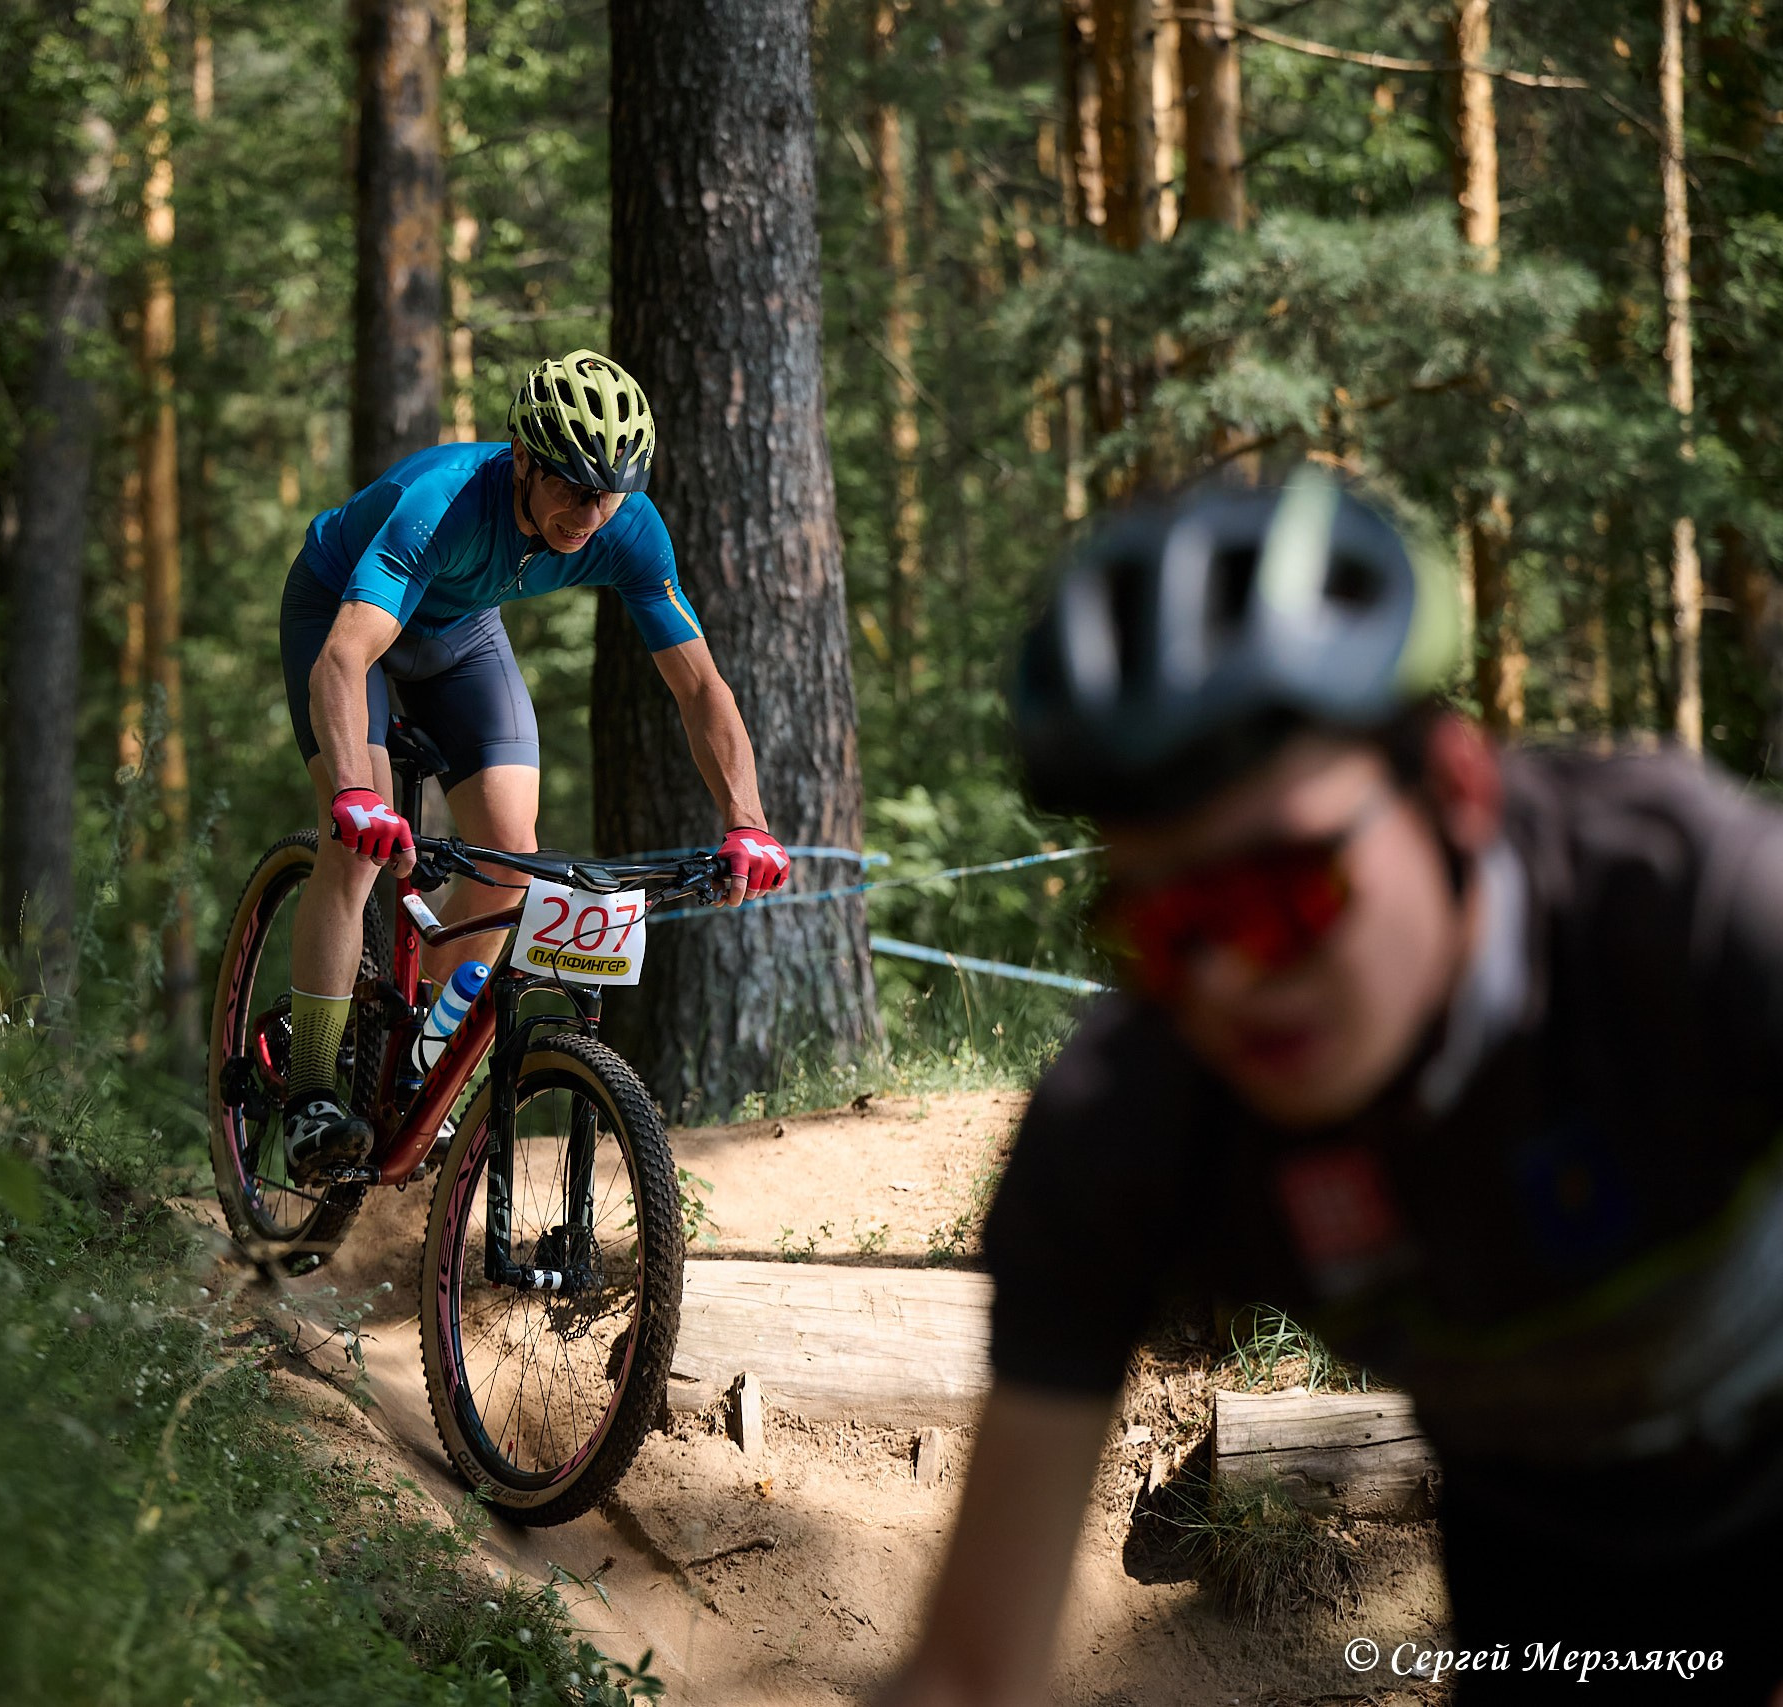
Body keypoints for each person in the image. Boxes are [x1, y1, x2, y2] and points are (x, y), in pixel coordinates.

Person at [875, 473, 1783, 1705]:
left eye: (1283, 895)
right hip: (1550, 1540)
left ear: (1456, 791)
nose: (1230, 978)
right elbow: (971, 1676)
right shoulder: (1132, 1124)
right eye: (1165, 928)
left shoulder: (1688, 919)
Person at [275, 350, 789, 1172]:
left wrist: (748, 823)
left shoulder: (628, 525)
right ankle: (309, 1097)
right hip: (345, 615)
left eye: (609, 491)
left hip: (460, 627)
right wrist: (351, 793)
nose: (590, 513)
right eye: (572, 488)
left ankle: (420, 1062)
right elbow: (340, 660)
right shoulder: (439, 503)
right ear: (523, 458)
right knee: (359, 841)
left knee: (515, 854)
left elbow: (700, 689)